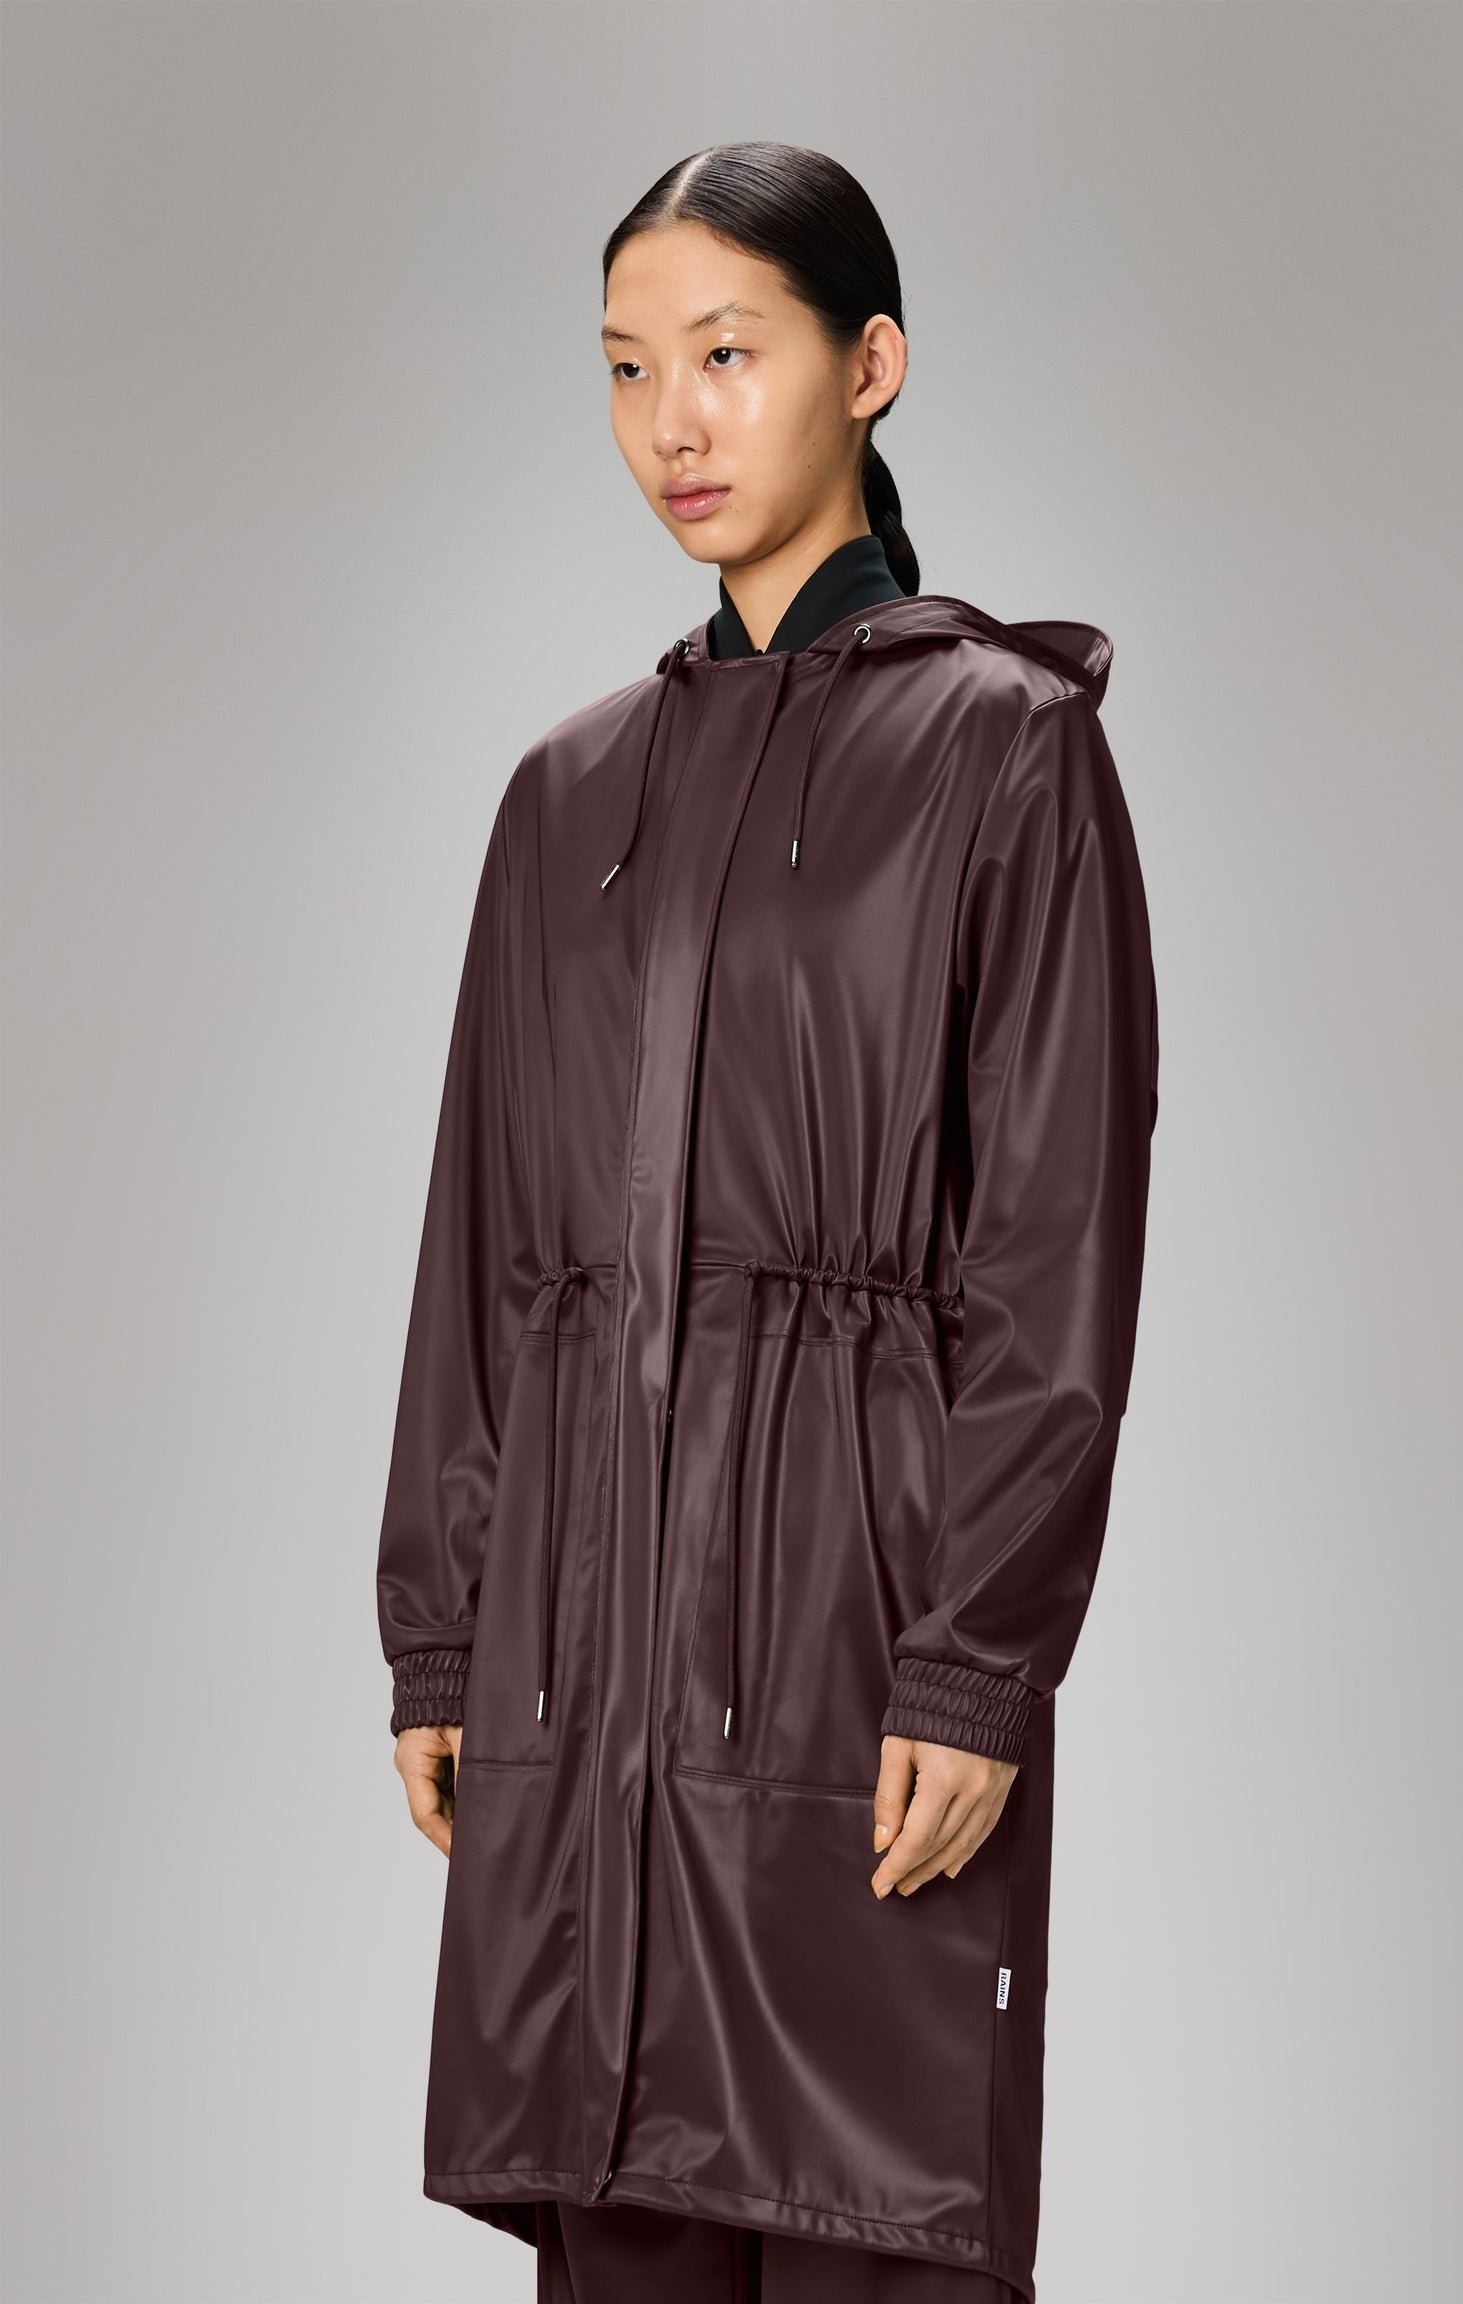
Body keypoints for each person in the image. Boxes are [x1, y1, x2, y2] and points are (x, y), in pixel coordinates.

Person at [376, 141, 1159, 2304]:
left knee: (866, 2237)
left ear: (869, 364)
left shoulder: (1008, 753)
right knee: (619, 2224)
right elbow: (485, 1252)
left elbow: (1053, 1262)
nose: (674, 423)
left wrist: (977, 1665)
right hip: (583, 1671)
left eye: (728, 354)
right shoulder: (567, 796)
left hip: (854, 1656)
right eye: (628, 368)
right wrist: (442, 1626)